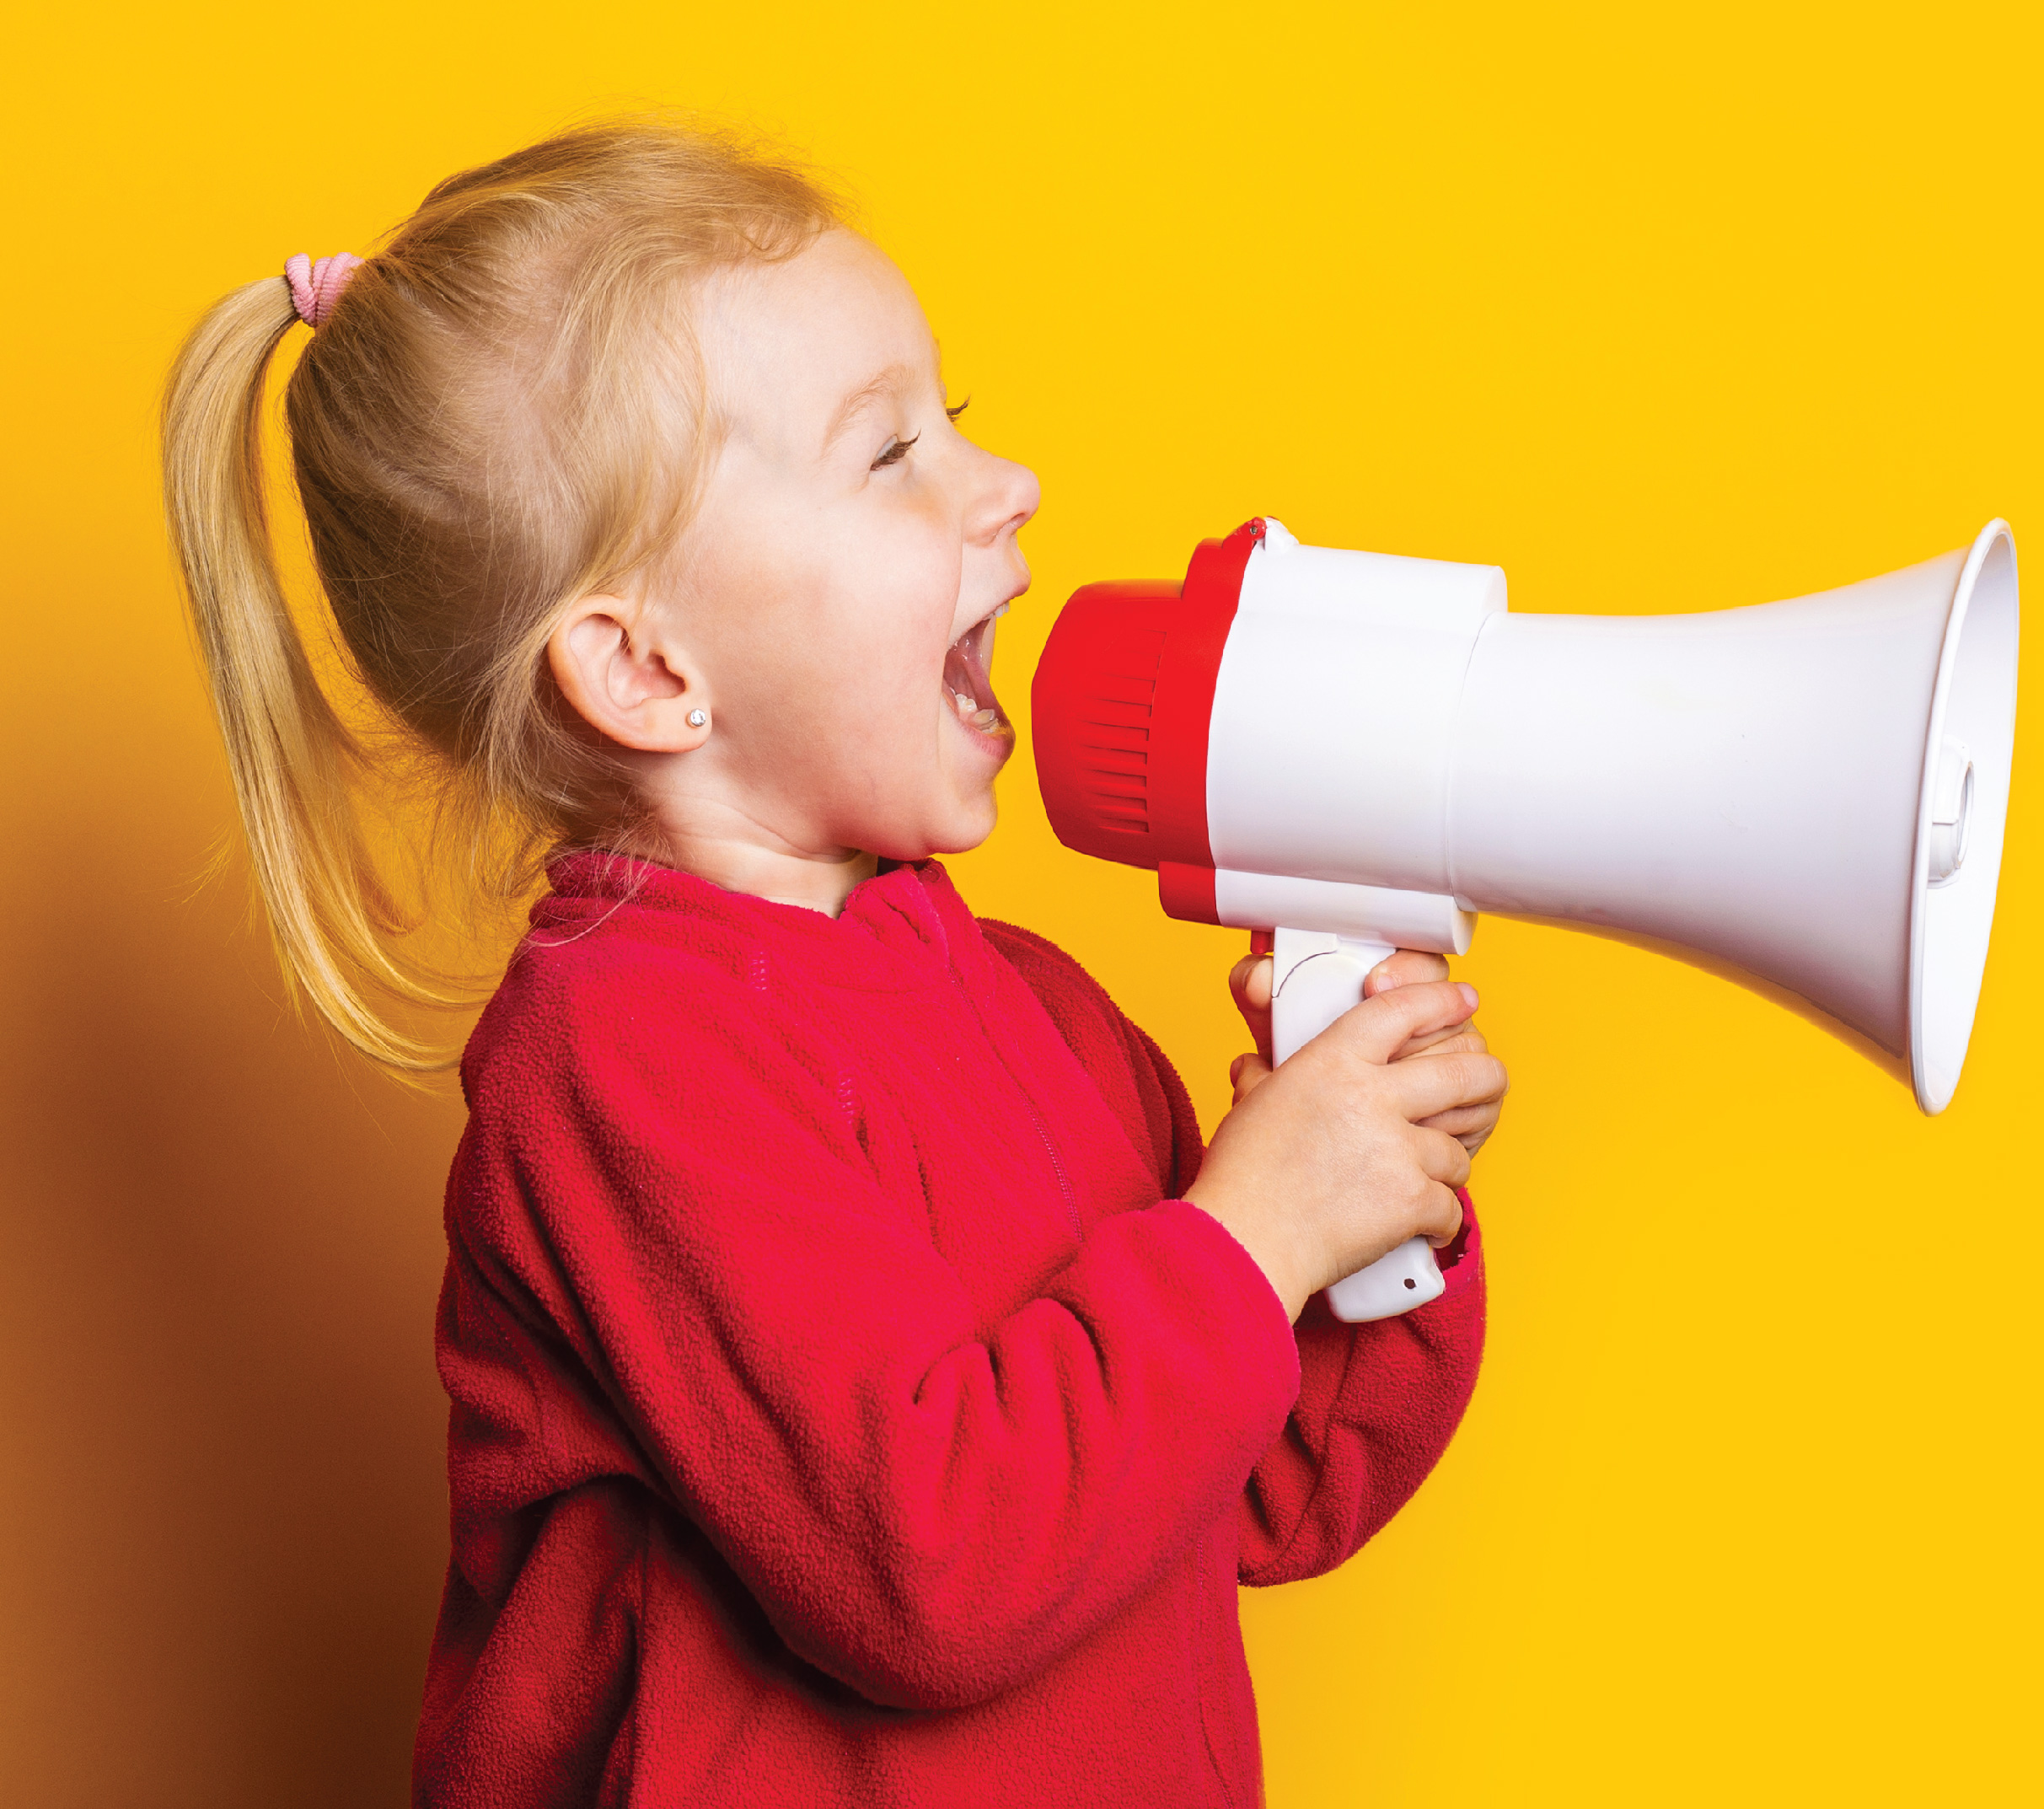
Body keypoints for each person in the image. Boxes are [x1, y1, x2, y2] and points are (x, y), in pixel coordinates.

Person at [158, 120, 1507, 1806]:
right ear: (646, 671)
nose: (1002, 483)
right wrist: (1256, 1229)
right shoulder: (621, 1057)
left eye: (961, 417)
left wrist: (1376, 1214)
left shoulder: (1032, 1010)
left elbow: (1262, 1490)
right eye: (887, 454)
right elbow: (926, 1565)